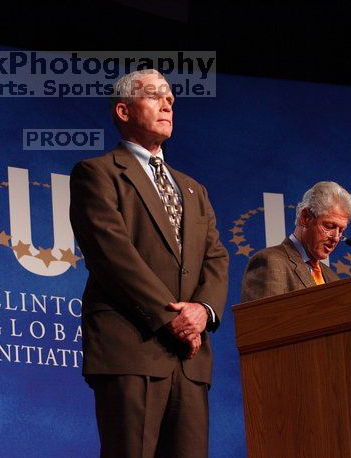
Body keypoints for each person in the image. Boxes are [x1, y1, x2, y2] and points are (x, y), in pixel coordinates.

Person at [69, 69, 229, 458]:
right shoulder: (98, 174)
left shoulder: (193, 189)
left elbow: (216, 256)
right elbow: (113, 255)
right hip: (132, 347)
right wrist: (170, 316)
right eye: (154, 95)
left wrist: (201, 312)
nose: (168, 103)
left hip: (189, 359)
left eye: (170, 97)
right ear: (123, 111)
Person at [240, 181, 351, 302]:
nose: (336, 238)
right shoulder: (271, 262)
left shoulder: (333, 278)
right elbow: (263, 319)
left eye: (341, 230)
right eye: (329, 226)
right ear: (305, 218)